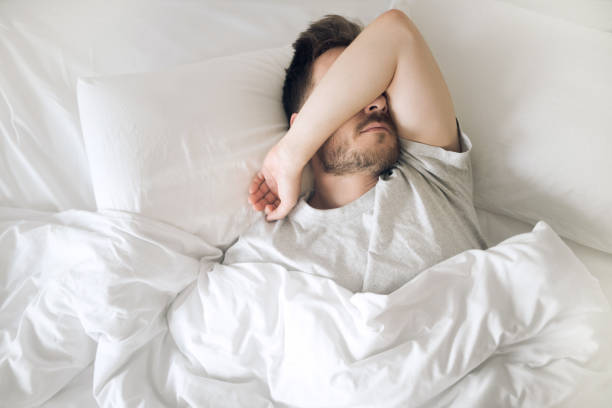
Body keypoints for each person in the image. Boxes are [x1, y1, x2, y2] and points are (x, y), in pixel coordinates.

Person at [222, 10, 487, 294]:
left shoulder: (431, 175)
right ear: (301, 124)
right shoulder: (266, 251)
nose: (378, 101)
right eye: (351, 97)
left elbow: (396, 34)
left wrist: (288, 155)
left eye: (378, 88)